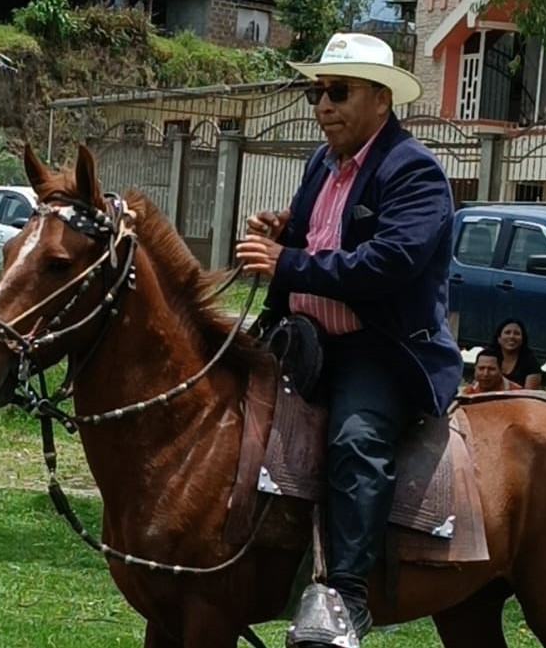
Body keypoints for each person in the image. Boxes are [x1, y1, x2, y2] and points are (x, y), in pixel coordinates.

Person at [234, 32, 462, 646]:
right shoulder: (322, 162)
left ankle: (348, 597)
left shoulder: (414, 171)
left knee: (356, 441)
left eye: (338, 92)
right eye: (317, 93)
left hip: (380, 348)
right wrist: (286, 229)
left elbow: (386, 262)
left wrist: (287, 262)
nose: (323, 107)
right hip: (305, 338)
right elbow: (317, 237)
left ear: (381, 100)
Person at [489, 318, 542, 389]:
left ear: (522, 339)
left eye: (516, 333)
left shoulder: (531, 363)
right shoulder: (488, 357)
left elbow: (529, 396)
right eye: (507, 332)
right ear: (499, 339)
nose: (512, 336)